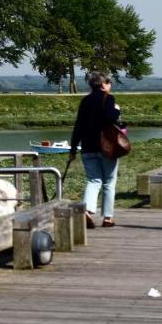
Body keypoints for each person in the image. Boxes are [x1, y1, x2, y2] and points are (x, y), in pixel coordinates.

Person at [70, 71, 123, 229]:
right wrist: (117, 110)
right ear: (104, 84)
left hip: (87, 147)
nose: (110, 86)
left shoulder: (85, 101)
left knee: (93, 181)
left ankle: (87, 210)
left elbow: (78, 126)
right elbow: (110, 118)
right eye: (109, 83)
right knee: (108, 182)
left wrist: (73, 148)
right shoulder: (109, 98)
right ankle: (107, 218)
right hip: (107, 148)